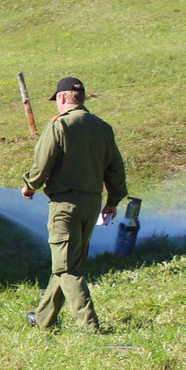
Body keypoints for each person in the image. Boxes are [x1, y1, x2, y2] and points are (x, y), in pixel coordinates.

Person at [21, 77, 127, 332]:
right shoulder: (103, 127)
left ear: (61, 98)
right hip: (92, 204)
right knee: (69, 262)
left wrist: (30, 185)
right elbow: (115, 168)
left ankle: (89, 326)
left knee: (67, 267)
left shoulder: (59, 125)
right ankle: (43, 318)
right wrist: (113, 200)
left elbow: (42, 162)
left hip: (65, 205)